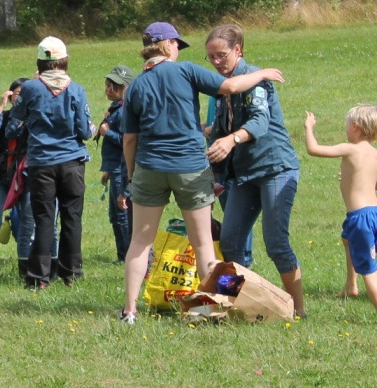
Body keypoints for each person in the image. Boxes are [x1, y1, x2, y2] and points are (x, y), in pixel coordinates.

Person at [119, 22, 284, 325]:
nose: (179, 51)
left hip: (150, 168)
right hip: (190, 168)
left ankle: (129, 311)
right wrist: (262, 73)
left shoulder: (136, 86)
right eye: (177, 46)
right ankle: (214, 310)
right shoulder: (186, 72)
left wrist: (132, 175)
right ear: (168, 45)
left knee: (140, 243)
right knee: (204, 244)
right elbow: (231, 86)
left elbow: (130, 139)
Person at [204, 25, 305, 317]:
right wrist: (212, 173)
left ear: (238, 51)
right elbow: (219, 131)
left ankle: (298, 311)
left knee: (276, 243)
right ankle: (231, 306)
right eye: (210, 57)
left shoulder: (255, 81)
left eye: (221, 55)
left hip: (275, 168)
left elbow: (260, 121)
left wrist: (233, 138)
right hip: (244, 174)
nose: (216, 62)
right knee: (231, 242)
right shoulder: (222, 87)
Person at [9, 37, 92, 289]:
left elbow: (17, 114)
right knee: (72, 218)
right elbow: (85, 131)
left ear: (40, 62)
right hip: (72, 162)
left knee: (44, 219)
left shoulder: (32, 88)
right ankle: (71, 274)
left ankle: (39, 278)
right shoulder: (76, 90)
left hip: (41, 163)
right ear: (65, 61)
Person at [304, 106, 377, 327]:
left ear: (355, 127)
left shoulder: (350, 149)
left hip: (360, 217)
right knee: (347, 239)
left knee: (369, 270)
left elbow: (313, 150)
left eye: (346, 124)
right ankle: (350, 286)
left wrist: (308, 127)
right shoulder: (375, 154)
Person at [0, 77, 54, 283]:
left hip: (27, 177)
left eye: (24, 94)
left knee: (29, 222)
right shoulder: (5, 116)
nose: (20, 99)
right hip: (0, 176)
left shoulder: (35, 119)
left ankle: (26, 267)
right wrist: (0, 107)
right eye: (16, 94)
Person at [98, 65, 133, 263]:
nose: (109, 89)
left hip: (122, 169)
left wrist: (106, 133)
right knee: (115, 215)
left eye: (115, 86)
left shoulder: (123, 111)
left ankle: (127, 255)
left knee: (122, 214)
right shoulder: (115, 109)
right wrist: (108, 172)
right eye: (107, 84)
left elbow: (127, 141)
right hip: (115, 169)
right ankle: (123, 254)